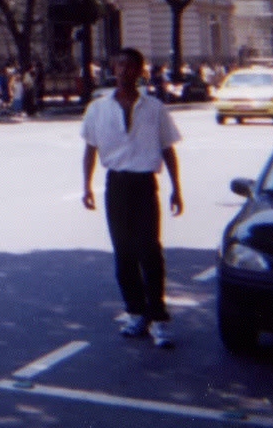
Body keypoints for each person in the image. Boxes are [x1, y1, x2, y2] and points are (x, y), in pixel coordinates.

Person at [81, 46, 184, 349]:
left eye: (130, 67)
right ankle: (136, 312)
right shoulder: (98, 108)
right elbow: (90, 149)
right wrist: (86, 186)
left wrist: (177, 187)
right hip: (117, 185)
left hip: (144, 185)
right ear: (113, 69)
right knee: (123, 252)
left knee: (150, 251)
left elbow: (168, 149)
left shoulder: (154, 108)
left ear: (140, 71)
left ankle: (159, 317)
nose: (124, 71)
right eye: (119, 66)